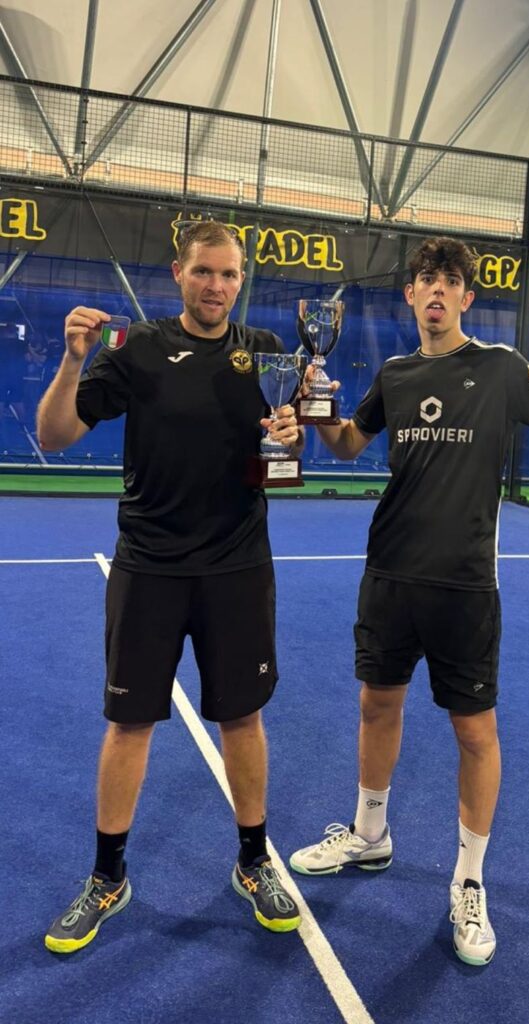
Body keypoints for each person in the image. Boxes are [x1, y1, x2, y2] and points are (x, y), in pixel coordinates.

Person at [289, 236, 529, 966]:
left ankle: (467, 879)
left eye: (448, 281)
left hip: (465, 585)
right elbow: (346, 446)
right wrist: (313, 401)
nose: (435, 290)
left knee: (474, 733)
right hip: (390, 574)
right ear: (410, 296)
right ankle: (370, 835)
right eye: (425, 279)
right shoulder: (394, 374)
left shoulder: (500, 368)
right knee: (376, 704)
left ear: (466, 297)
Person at [37, 220, 303, 953]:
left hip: (238, 567)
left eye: (228, 275)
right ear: (178, 275)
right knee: (129, 724)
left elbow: (293, 444)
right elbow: (54, 435)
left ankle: (254, 861)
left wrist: (292, 436)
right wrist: (70, 361)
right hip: (149, 566)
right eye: (204, 273)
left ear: (241, 280)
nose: (216, 286)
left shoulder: (268, 356)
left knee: (241, 720)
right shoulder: (139, 352)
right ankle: (107, 878)